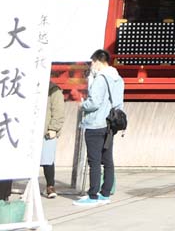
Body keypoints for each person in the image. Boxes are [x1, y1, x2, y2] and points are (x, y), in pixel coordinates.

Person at [73, 49, 123, 206]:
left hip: (96, 123)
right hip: (110, 124)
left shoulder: (101, 78)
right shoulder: (119, 79)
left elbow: (94, 102)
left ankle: (92, 194)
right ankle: (105, 193)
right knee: (107, 159)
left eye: (93, 62)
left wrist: (83, 105)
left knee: (94, 161)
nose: (92, 65)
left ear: (99, 61)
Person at [41, 82, 64, 198]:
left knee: (48, 160)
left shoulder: (54, 89)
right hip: (34, 130)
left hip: (47, 130)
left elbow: (58, 110)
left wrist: (54, 128)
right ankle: (31, 187)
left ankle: (50, 186)